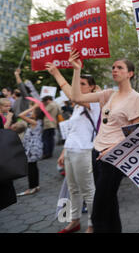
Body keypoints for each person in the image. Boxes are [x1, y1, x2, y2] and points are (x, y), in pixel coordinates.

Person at [69, 49, 139, 233]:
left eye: (120, 67)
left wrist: (114, 149)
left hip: (115, 158)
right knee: (109, 204)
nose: (114, 70)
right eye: (113, 67)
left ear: (130, 73)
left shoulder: (136, 98)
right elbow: (76, 97)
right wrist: (76, 69)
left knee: (98, 212)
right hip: (97, 153)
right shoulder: (108, 94)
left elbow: (136, 135)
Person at [46, 62, 100, 233]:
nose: (78, 86)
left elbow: (74, 95)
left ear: (92, 87)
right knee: (73, 189)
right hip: (70, 151)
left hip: (84, 151)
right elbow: (72, 131)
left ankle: (92, 225)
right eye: (79, 83)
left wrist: (57, 74)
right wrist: (63, 151)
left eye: (83, 84)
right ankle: (74, 221)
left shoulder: (95, 102)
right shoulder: (77, 106)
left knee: (88, 191)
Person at [16, 103, 45, 196]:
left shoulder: (35, 122)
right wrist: (33, 108)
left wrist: (33, 107)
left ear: (36, 114)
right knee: (33, 167)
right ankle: (35, 186)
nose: (30, 112)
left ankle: (31, 188)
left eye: (32, 111)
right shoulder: (38, 121)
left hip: (32, 149)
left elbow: (20, 115)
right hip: (34, 148)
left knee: (31, 168)